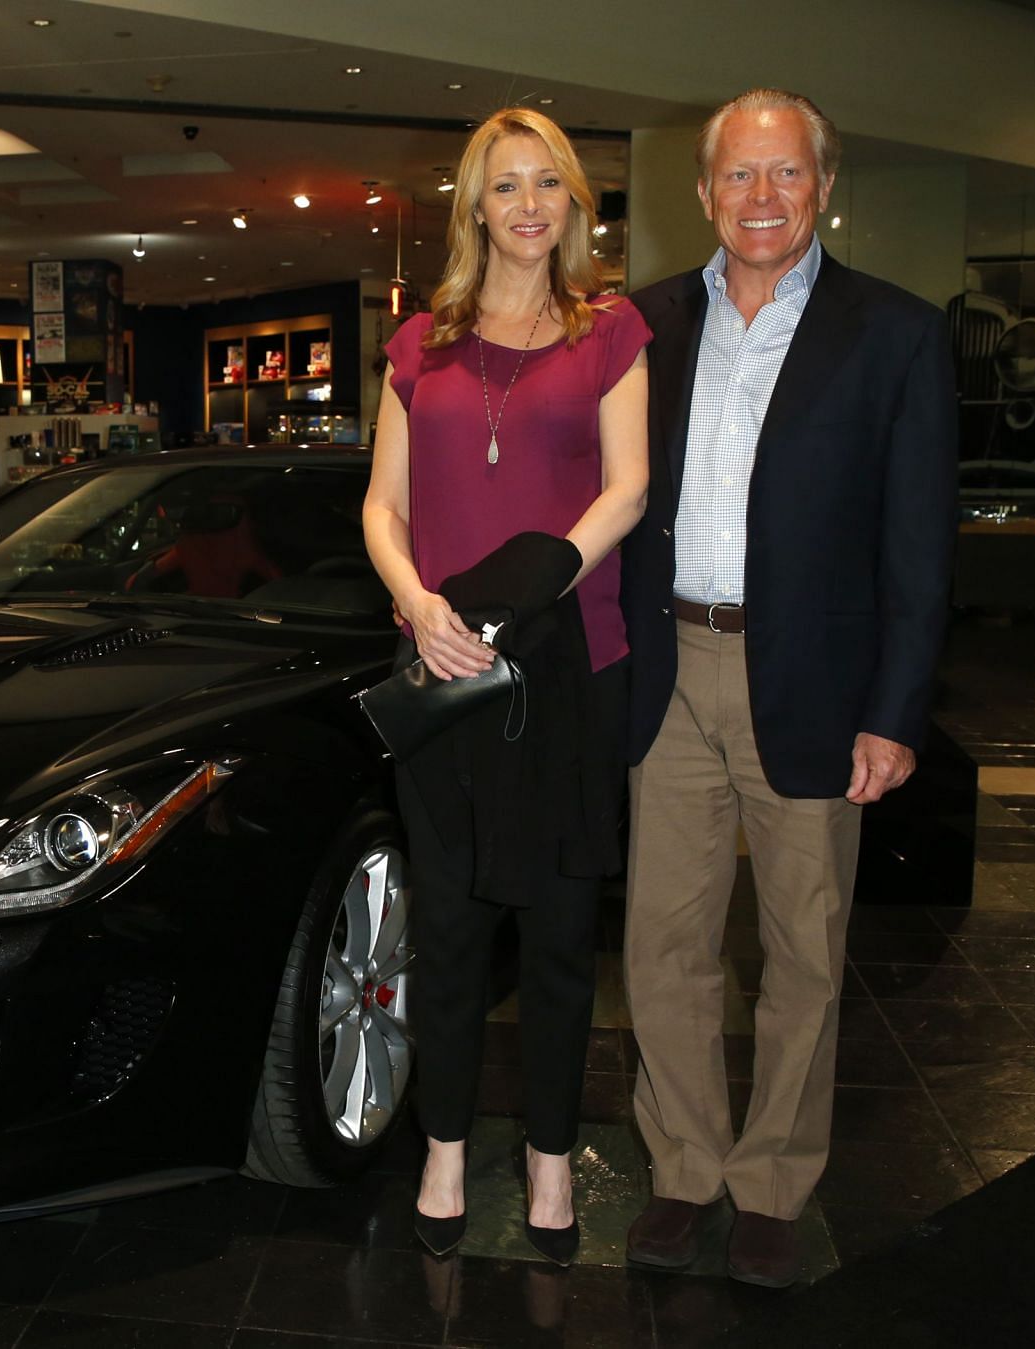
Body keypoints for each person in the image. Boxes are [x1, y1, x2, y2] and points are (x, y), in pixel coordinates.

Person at [619, 88, 957, 1288]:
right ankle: (684, 1170)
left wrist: (895, 709)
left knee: (802, 949)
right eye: (739, 177)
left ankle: (772, 1182)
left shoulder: (898, 333)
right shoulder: (643, 324)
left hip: (816, 678)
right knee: (662, 945)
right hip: (670, 669)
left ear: (824, 185)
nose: (762, 198)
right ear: (703, 193)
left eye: (787, 174)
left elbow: (919, 547)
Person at [362, 106, 650, 1263]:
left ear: (573, 202)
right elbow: (383, 506)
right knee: (447, 923)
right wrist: (420, 604)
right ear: (473, 208)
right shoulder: (418, 341)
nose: (528, 205)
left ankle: (545, 1158)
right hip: (441, 665)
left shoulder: (611, 330)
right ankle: (441, 1147)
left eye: (548, 184)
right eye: (504, 186)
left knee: (561, 931)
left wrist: (524, 596)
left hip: (570, 664)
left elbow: (626, 491)